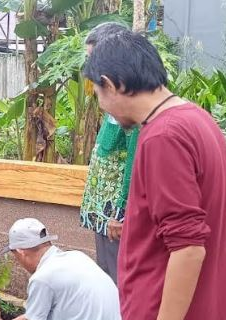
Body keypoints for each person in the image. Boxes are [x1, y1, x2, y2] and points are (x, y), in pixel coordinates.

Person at [83, 32, 226, 320]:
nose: (101, 105)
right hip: (180, 314)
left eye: (97, 93)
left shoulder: (162, 136)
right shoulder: (195, 118)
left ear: (112, 84)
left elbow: (188, 247)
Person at [78, 22, 139, 283]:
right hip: (102, 212)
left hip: (114, 214)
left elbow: (134, 163)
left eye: (93, 58)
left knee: (118, 278)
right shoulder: (111, 96)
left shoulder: (130, 103)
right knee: (104, 273)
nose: (90, 66)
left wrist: (121, 214)